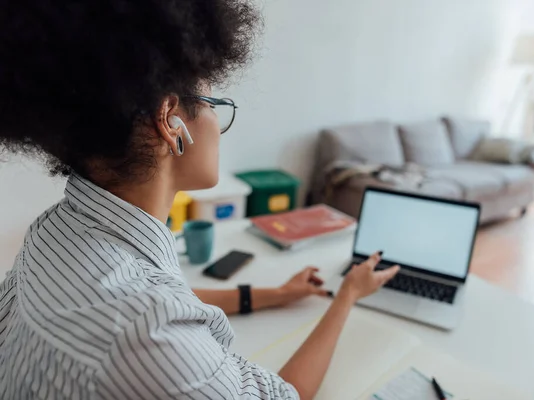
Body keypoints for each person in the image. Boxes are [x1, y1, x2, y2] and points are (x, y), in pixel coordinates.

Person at [0, 1, 400, 399]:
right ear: (170, 120)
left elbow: (170, 301)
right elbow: (286, 395)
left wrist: (276, 294)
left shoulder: (52, 233)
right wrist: (346, 295)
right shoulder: (149, 337)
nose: (218, 125)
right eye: (213, 104)